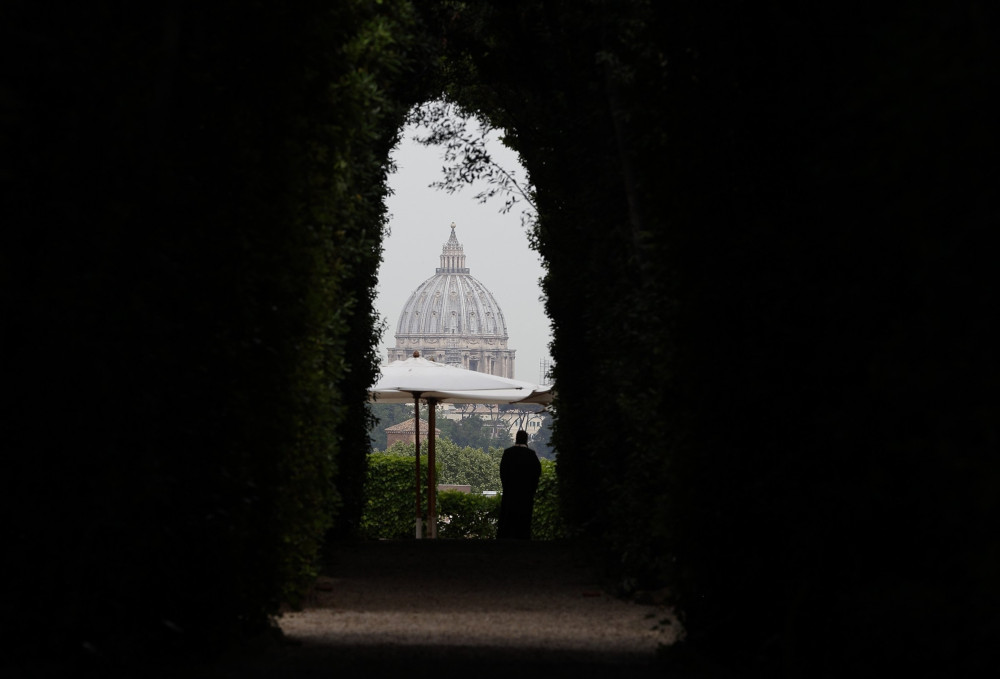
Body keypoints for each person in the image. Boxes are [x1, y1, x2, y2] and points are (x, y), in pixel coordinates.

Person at [497, 430, 542, 540]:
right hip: (525, 494)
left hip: (510, 493)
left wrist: (507, 487)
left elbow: (502, 472)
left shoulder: (507, 453)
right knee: (523, 520)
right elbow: (537, 473)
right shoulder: (531, 455)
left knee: (508, 519)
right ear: (526, 440)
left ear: (516, 438)